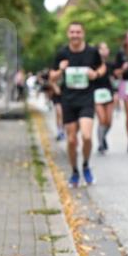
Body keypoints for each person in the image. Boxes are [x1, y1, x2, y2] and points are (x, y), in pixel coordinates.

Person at [49, 22, 105, 187]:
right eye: (72, 32)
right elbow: (52, 76)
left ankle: (86, 164)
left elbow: (102, 67)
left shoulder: (92, 51)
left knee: (87, 136)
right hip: (68, 99)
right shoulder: (62, 53)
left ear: (83, 33)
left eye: (78, 32)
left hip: (86, 98)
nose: (75, 35)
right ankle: (74, 171)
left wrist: (95, 74)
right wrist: (60, 70)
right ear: (68, 34)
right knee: (72, 140)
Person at [93, 42, 116, 154]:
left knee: (109, 122)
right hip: (96, 93)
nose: (105, 50)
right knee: (102, 119)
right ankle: (101, 144)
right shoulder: (92, 64)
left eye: (106, 48)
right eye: (102, 48)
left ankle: (103, 136)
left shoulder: (110, 64)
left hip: (108, 93)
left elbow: (115, 77)